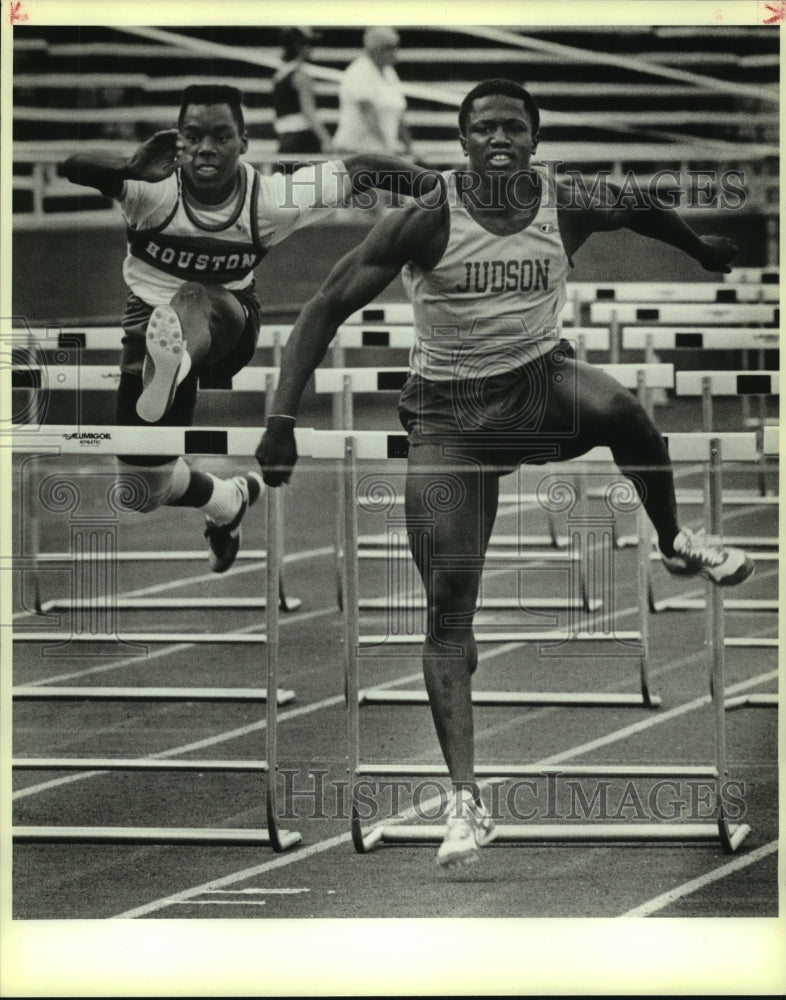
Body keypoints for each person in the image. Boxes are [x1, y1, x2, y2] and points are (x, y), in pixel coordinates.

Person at [256, 78, 756, 868]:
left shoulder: (568, 198)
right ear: (461, 142)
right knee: (449, 618)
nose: (498, 138)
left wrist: (701, 248)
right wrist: (280, 418)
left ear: (533, 137)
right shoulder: (425, 217)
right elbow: (323, 305)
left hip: (537, 389)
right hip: (449, 420)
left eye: (512, 127)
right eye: (483, 127)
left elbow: (638, 205)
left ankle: (675, 539)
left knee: (626, 412)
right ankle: (466, 802)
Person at [61, 83, 434, 574]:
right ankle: (226, 499)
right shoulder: (151, 188)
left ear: (244, 142)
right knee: (139, 491)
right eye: (193, 137)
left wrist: (448, 191)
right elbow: (72, 167)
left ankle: (174, 365)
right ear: (178, 143)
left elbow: (364, 168)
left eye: (220, 136)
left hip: (228, 322)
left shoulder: (270, 200)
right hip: (148, 336)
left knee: (193, 296)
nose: (206, 149)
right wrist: (128, 166)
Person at [333, 27, 412, 158]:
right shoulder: (359, 71)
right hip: (354, 152)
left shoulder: (390, 73)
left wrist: (410, 148)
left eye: (395, 47)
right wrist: (387, 148)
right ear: (375, 50)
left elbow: (398, 116)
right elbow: (368, 114)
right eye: (389, 48)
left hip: (379, 152)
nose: (394, 52)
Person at [272, 27, 333, 159]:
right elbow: (308, 112)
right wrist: (326, 139)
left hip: (284, 138)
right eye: (309, 44)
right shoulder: (301, 76)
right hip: (302, 138)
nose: (311, 48)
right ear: (299, 46)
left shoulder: (279, 75)